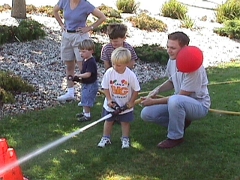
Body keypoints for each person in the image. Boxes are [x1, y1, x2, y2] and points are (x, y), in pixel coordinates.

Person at [140, 31, 211, 149]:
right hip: (178, 102)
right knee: (146, 114)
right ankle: (181, 122)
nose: (169, 50)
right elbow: (171, 81)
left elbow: (183, 95)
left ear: (184, 48)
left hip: (199, 106)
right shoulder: (172, 60)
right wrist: (157, 90)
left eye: (173, 48)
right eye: (167, 47)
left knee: (175, 101)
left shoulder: (194, 68)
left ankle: (175, 137)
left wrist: (153, 102)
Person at [53, 0, 106, 102]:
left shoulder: (85, 4)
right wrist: (61, 24)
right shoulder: (64, 1)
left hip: (80, 37)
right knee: (69, 66)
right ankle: (70, 92)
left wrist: (89, 28)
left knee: (83, 68)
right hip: (66, 36)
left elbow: (102, 17)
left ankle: (86, 93)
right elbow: (55, 11)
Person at [97, 47, 141, 149]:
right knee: (108, 121)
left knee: (125, 122)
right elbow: (105, 87)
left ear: (126, 64)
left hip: (125, 105)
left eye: (118, 65)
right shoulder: (109, 72)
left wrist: (131, 102)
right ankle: (105, 138)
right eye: (113, 64)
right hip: (111, 105)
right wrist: (108, 99)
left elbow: (136, 90)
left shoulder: (130, 75)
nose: (115, 67)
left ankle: (125, 139)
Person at [73, 39, 98, 122]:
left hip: (91, 85)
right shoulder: (85, 60)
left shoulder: (91, 62)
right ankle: (84, 112)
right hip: (86, 83)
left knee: (86, 99)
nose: (81, 53)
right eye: (80, 51)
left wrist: (78, 76)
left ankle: (87, 116)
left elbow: (88, 74)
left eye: (83, 51)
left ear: (91, 51)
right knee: (84, 97)